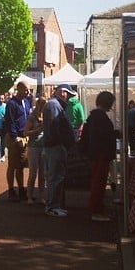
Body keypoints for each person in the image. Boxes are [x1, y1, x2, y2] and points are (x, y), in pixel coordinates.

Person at [80, 91, 117, 222]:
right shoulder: (100, 117)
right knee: (98, 183)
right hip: (101, 154)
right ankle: (96, 211)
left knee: (98, 182)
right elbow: (103, 136)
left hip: (96, 154)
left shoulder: (94, 116)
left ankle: (96, 209)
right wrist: (115, 134)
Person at [42, 84, 77, 217]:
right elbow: (53, 128)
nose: (67, 96)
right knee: (55, 177)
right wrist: (61, 143)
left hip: (56, 146)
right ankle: (52, 207)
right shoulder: (54, 105)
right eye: (66, 93)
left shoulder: (55, 105)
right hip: (55, 147)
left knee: (56, 177)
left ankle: (54, 205)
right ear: (60, 92)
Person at [3, 81, 31, 202]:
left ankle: (21, 189)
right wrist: (15, 137)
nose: (28, 92)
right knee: (12, 165)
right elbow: (10, 121)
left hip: (24, 137)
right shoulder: (11, 103)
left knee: (21, 165)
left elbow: (28, 118)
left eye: (29, 90)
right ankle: (10, 190)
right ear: (19, 89)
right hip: (15, 138)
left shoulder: (27, 102)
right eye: (26, 90)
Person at [25, 95, 46, 204]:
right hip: (33, 146)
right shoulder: (32, 117)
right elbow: (26, 132)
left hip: (43, 146)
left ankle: (41, 196)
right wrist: (38, 130)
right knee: (33, 173)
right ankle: (29, 196)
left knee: (43, 174)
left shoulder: (46, 116)